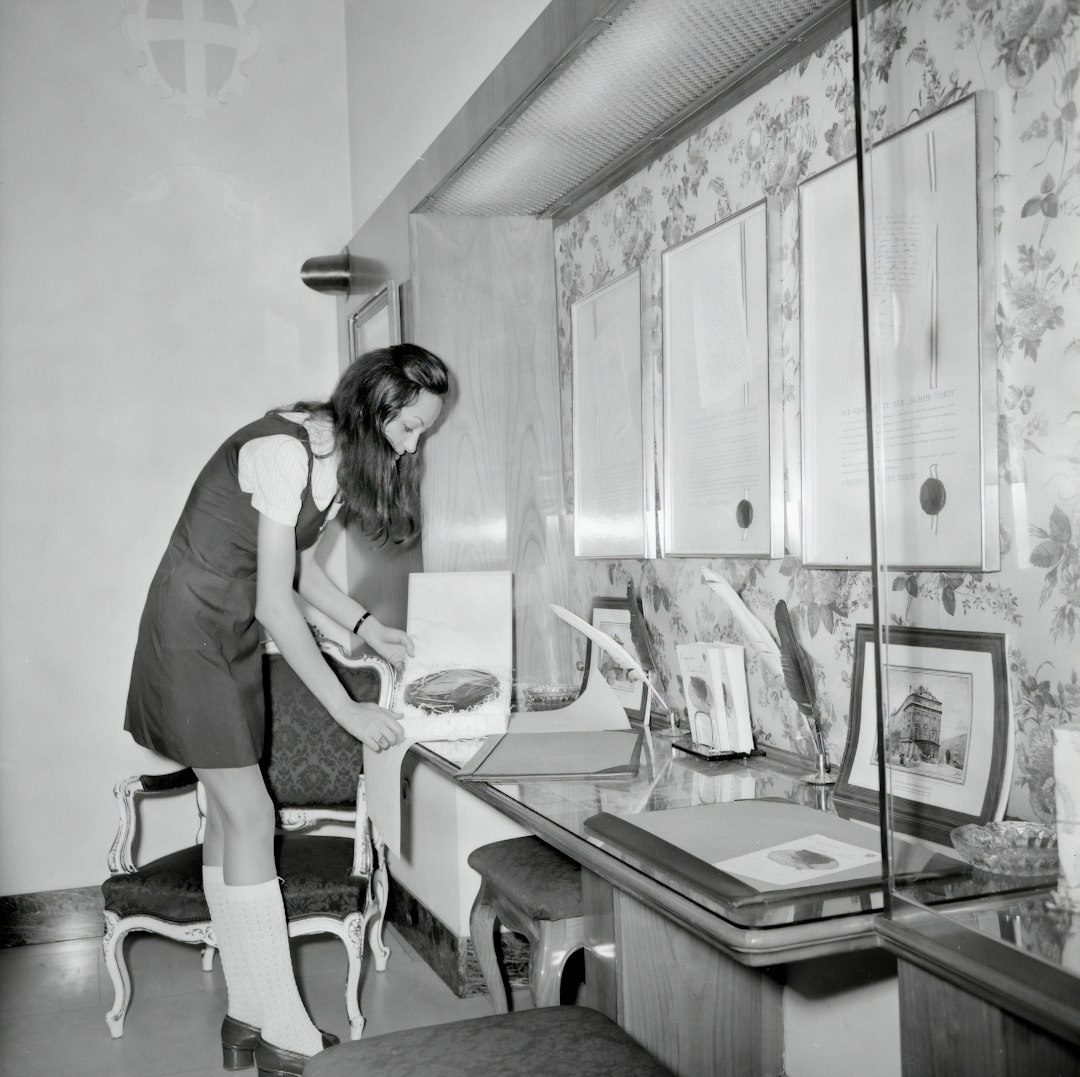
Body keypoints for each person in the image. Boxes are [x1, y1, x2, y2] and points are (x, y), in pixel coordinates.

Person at [124, 344, 449, 1076]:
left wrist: (367, 627)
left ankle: (247, 1016)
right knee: (251, 814)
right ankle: (286, 1032)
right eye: (407, 429)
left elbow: (299, 570)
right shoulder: (285, 452)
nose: (411, 448)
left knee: (231, 819)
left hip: (224, 630)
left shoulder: (328, 464)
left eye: (422, 434)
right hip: (193, 631)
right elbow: (277, 602)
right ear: (371, 410)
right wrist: (348, 712)